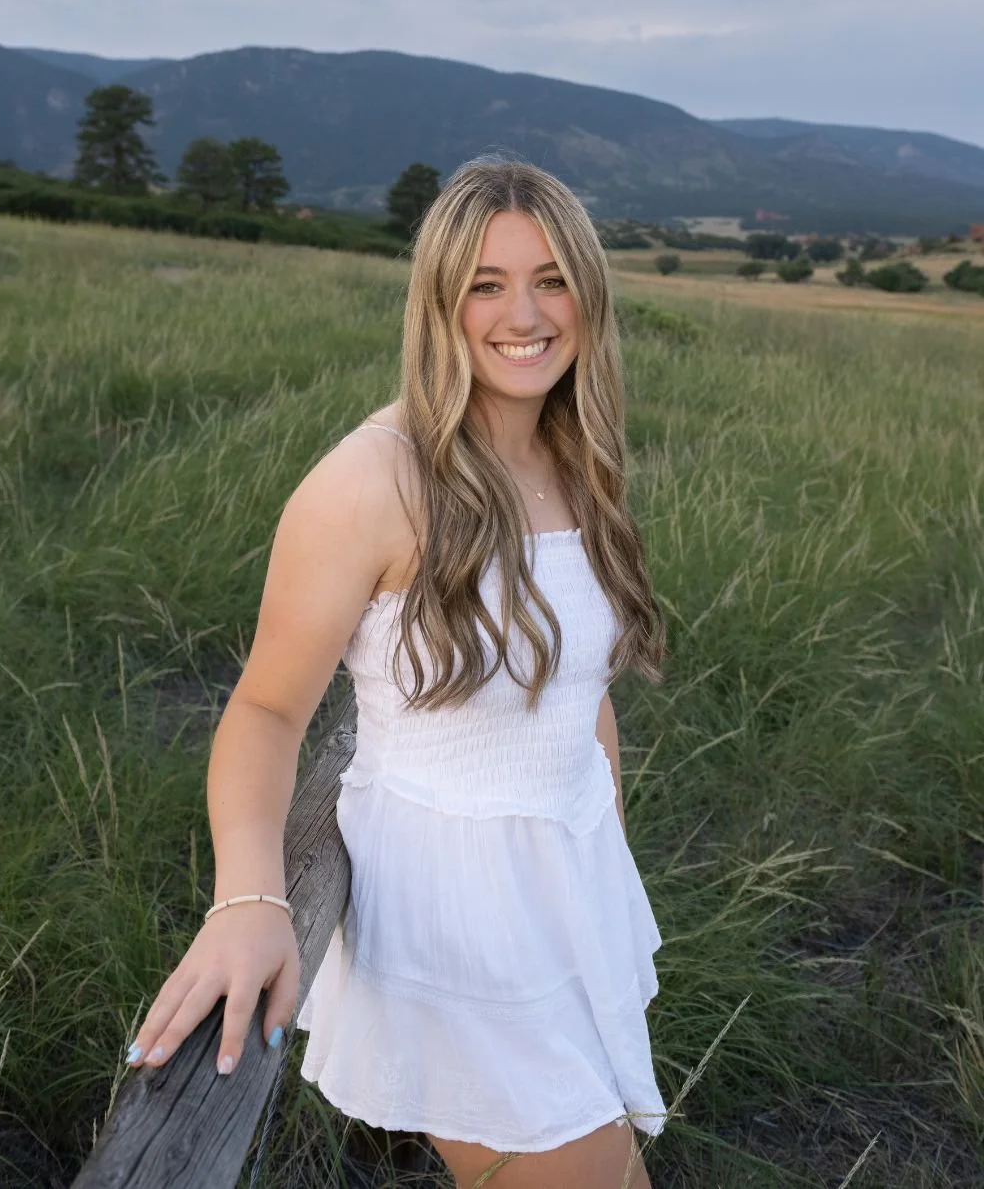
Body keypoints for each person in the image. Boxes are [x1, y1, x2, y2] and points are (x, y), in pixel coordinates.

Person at [125, 158, 669, 1188]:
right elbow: (268, 709)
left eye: (552, 279)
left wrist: (605, 863)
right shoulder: (373, 480)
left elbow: (581, 695)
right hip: (454, 918)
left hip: (567, 889)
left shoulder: (576, 454)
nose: (525, 313)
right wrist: (247, 899)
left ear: (588, 295)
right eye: (486, 284)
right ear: (437, 302)